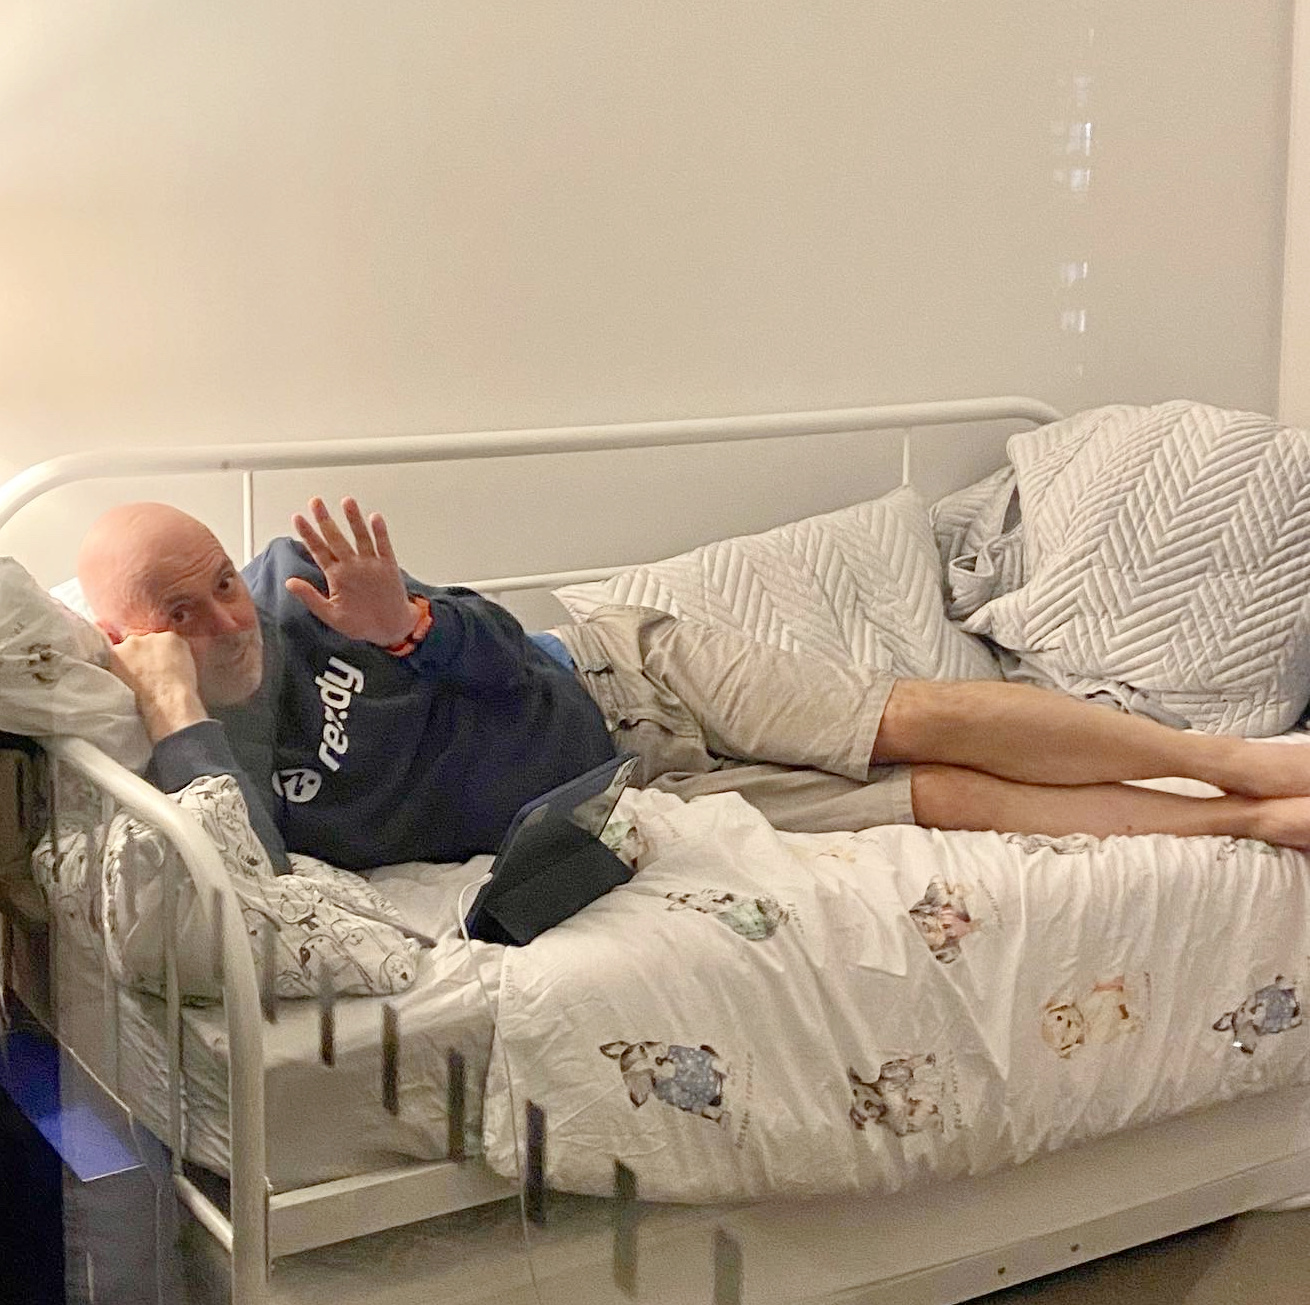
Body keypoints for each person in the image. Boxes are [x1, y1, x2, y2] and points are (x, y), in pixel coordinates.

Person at [77, 497, 1310, 873]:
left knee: (898, 717)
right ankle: (1257, 821)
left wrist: (410, 627)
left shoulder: (299, 582)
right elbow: (241, 874)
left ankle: (1242, 761)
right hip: (631, 799)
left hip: (622, 670)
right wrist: (178, 707)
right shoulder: (182, 751)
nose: (223, 617)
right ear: (121, 633)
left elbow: (504, 657)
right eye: (179, 612)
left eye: (218, 585)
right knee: (930, 795)